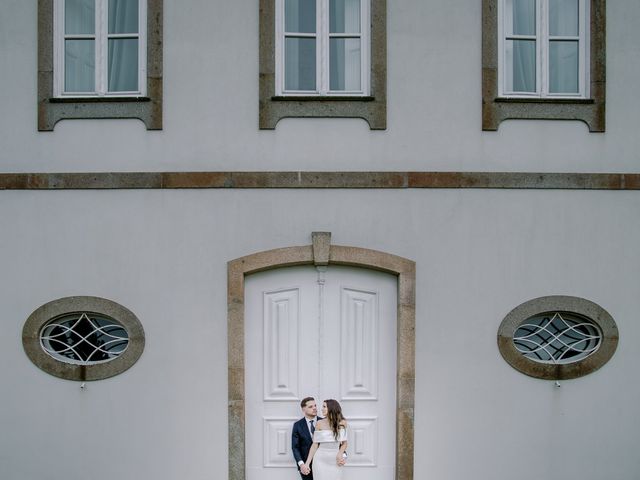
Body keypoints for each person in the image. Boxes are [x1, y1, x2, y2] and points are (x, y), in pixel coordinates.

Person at [302, 399, 348, 480]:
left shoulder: (342, 422)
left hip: (335, 460)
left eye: (324, 407)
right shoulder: (319, 423)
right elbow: (315, 445)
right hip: (320, 460)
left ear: (331, 408)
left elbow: (344, 443)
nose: (321, 409)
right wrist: (307, 463)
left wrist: (340, 454)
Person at [292, 397, 320, 479]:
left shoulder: (325, 422)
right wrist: (301, 464)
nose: (314, 408)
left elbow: (335, 440)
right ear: (303, 409)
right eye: (310, 407)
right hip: (306, 467)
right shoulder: (297, 425)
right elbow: (295, 447)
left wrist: (343, 455)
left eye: (315, 405)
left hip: (323, 463)